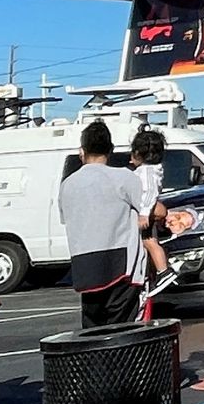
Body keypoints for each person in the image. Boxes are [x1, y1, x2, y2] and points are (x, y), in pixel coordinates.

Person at [58, 120, 148, 327]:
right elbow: (151, 209)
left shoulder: (67, 185)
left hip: (84, 264)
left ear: (82, 151)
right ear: (111, 150)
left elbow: (65, 219)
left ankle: (95, 360)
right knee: (123, 329)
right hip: (121, 262)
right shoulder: (124, 177)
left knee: (92, 329)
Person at [127, 127, 180, 303]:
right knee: (149, 242)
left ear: (139, 154)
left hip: (146, 214)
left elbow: (149, 194)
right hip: (147, 212)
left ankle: (164, 271)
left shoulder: (147, 172)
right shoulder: (150, 170)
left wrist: (143, 214)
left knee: (150, 242)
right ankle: (158, 272)